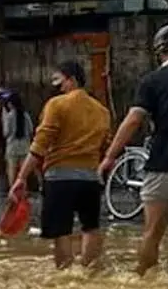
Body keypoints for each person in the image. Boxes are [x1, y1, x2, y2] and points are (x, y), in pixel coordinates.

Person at [98, 24, 168, 276]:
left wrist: (110, 156)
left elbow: (133, 121)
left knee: (151, 234)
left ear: (158, 50)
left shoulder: (151, 81)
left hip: (160, 164)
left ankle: (144, 283)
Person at [10, 61, 111, 269]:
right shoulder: (102, 111)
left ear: (72, 80)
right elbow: (105, 147)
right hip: (90, 180)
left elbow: (39, 146)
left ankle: (64, 274)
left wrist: (21, 178)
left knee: (61, 231)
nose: (57, 87)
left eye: (59, 82)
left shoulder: (57, 105)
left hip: (60, 179)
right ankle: (88, 273)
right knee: (91, 227)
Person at [0, 90, 34, 185]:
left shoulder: (9, 116)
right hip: (25, 147)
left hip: (12, 147)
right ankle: (23, 194)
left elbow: (6, 133)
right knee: (23, 173)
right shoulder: (25, 115)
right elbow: (31, 130)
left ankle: (12, 192)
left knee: (12, 171)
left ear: (11, 104)